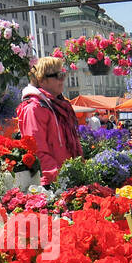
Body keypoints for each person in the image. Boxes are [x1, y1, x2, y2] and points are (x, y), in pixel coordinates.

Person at [17, 56, 82, 186]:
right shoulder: (34, 108)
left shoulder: (58, 105)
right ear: (42, 80)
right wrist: (57, 176)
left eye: (63, 74)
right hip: (52, 182)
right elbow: (37, 149)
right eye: (58, 75)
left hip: (68, 177)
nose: (63, 79)